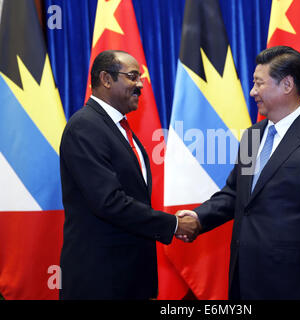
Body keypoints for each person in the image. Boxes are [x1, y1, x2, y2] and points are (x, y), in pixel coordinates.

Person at [177, 46, 300, 300]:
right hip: (244, 279)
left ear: (287, 85)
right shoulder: (252, 136)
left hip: (293, 284)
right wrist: (197, 217)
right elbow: (235, 195)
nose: (252, 92)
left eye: (259, 84)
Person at [59, 50, 200, 299]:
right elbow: (109, 202)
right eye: (133, 76)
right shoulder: (85, 126)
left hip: (130, 278)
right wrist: (174, 224)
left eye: (140, 79)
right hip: (100, 280)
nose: (139, 85)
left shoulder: (121, 130)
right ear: (106, 79)